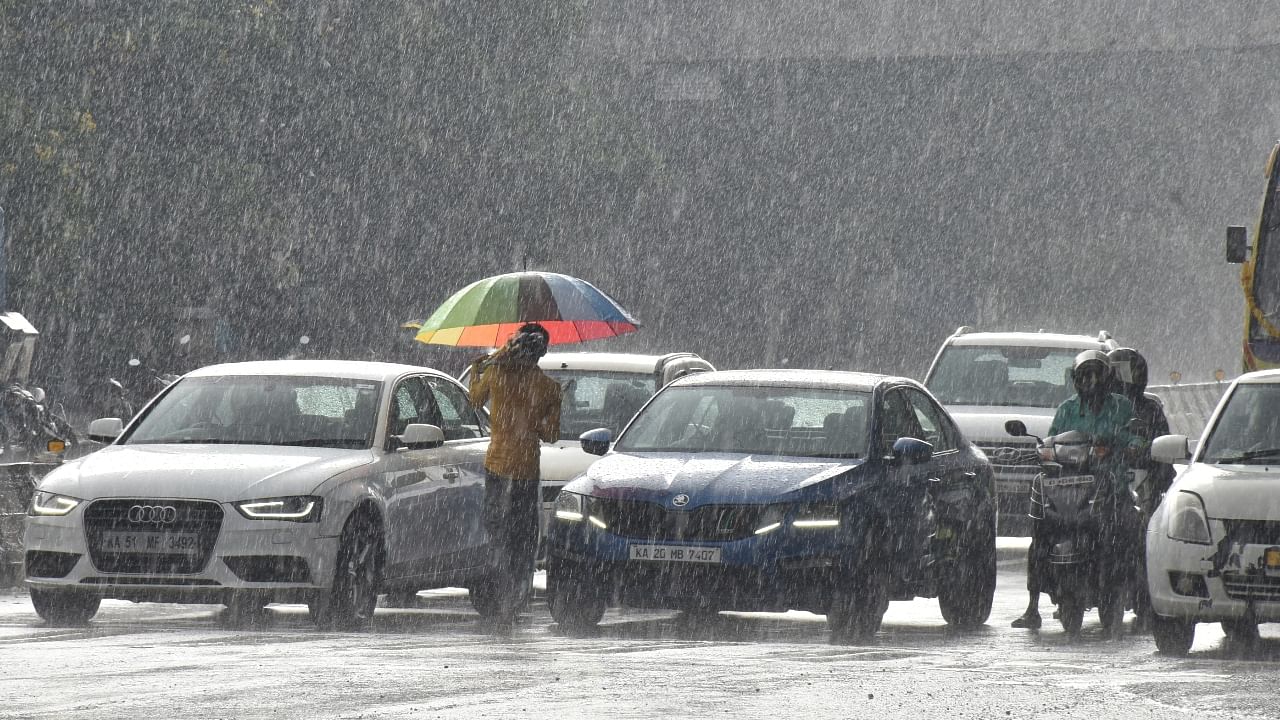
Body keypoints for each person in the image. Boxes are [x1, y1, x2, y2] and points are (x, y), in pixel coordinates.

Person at [1011, 350, 1143, 630]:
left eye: (1096, 375)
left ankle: (1133, 594)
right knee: (1041, 535)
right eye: (1085, 375)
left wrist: (1127, 445)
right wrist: (1043, 450)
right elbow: (1052, 438)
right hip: (1066, 488)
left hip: (1108, 485)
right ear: (1076, 379)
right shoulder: (1067, 409)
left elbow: (1134, 436)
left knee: (1129, 528)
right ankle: (1033, 606)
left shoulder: (1121, 407)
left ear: (1107, 378)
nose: (1091, 381)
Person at [467, 322, 561, 626]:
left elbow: (474, 400)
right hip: (525, 469)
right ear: (541, 353)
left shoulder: (497, 374)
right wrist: (539, 416)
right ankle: (516, 596)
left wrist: (476, 369)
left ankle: (495, 589)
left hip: (496, 466)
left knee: (497, 532)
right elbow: (551, 434)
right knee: (523, 537)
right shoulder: (548, 387)